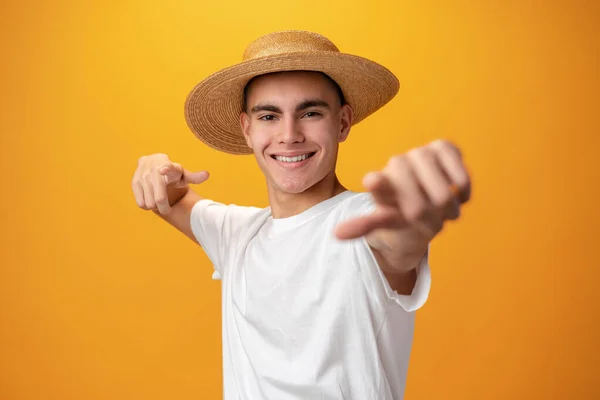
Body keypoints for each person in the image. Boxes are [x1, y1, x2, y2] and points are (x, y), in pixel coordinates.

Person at [131, 30, 471, 400]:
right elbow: (170, 198)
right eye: (269, 116)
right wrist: (155, 168)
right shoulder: (236, 234)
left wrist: (413, 220)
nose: (289, 135)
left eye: (310, 112)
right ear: (247, 129)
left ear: (343, 122)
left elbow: (397, 243)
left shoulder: (365, 220)